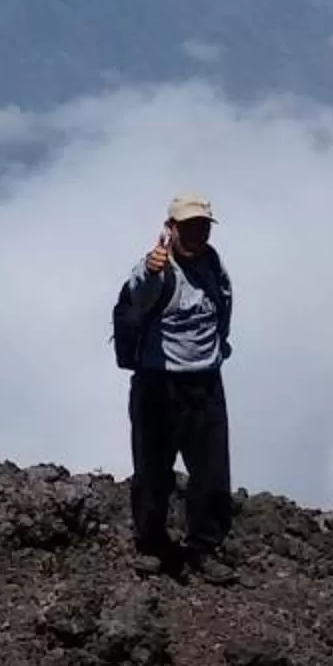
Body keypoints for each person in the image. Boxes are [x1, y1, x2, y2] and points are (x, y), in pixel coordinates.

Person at [114, 193, 237, 581]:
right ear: (171, 228)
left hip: (206, 383)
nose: (196, 234)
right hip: (159, 385)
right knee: (153, 471)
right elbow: (140, 293)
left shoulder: (214, 267)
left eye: (202, 226)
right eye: (187, 226)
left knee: (213, 474)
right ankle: (151, 545)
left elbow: (223, 312)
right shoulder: (156, 269)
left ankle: (203, 548)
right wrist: (153, 270)